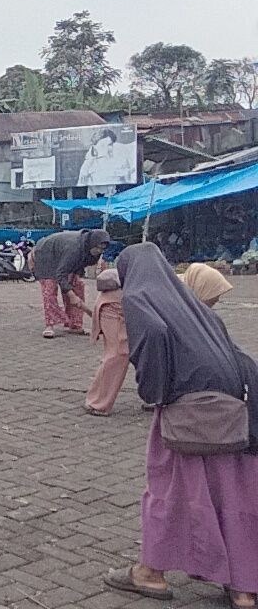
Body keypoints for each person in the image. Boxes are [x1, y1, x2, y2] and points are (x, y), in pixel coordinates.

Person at [102, 243, 258, 607]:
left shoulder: (139, 298)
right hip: (236, 411)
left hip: (189, 411)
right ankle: (244, 587)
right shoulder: (189, 304)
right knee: (233, 494)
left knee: (167, 489)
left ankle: (150, 572)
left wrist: (154, 392)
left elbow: (153, 335)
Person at [30, 229, 109, 339]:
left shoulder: (93, 251)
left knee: (78, 285)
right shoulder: (74, 248)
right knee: (50, 287)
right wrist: (71, 295)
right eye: (98, 247)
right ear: (92, 243)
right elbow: (61, 274)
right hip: (46, 254)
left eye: (102, 249)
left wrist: (72, 291)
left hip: (64, 257)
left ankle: (75, 325)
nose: (99, 251)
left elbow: (79, 265)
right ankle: (50, 325)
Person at [84, 269, 128, 417]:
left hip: (121, 303)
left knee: (152, 353)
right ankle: (97, 402)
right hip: (116, 306)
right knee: (117, 354)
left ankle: (155, 397)